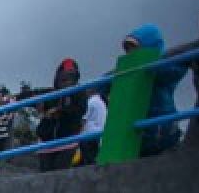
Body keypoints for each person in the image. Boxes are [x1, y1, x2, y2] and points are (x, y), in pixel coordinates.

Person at [123, 24, 189, 156]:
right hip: (138, 135)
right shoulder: (129, 70)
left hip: (162, 132)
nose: (131, 53)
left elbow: (174, 72)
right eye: (128, 49)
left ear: (150, 47)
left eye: (135, 48)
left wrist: (150, 65)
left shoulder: (167, 67)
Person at [37, 58, 86, 172]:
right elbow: (41, 109)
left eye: (71, 75)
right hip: (46, 141)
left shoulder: (79, 92)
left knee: (60, 172)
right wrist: (45, 112)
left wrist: (61, 111)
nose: (67, 80)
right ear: (58, 76)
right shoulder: (50, 94)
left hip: (67, 140)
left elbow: (81, 110)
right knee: (44, 174)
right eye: (64, 75)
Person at [80, 86, 107, 165]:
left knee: (89, 161)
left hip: (90, 136)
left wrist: (77, 136)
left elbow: (83, 121)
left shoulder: (90, 102)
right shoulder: (101, 101)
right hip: (99, 134)